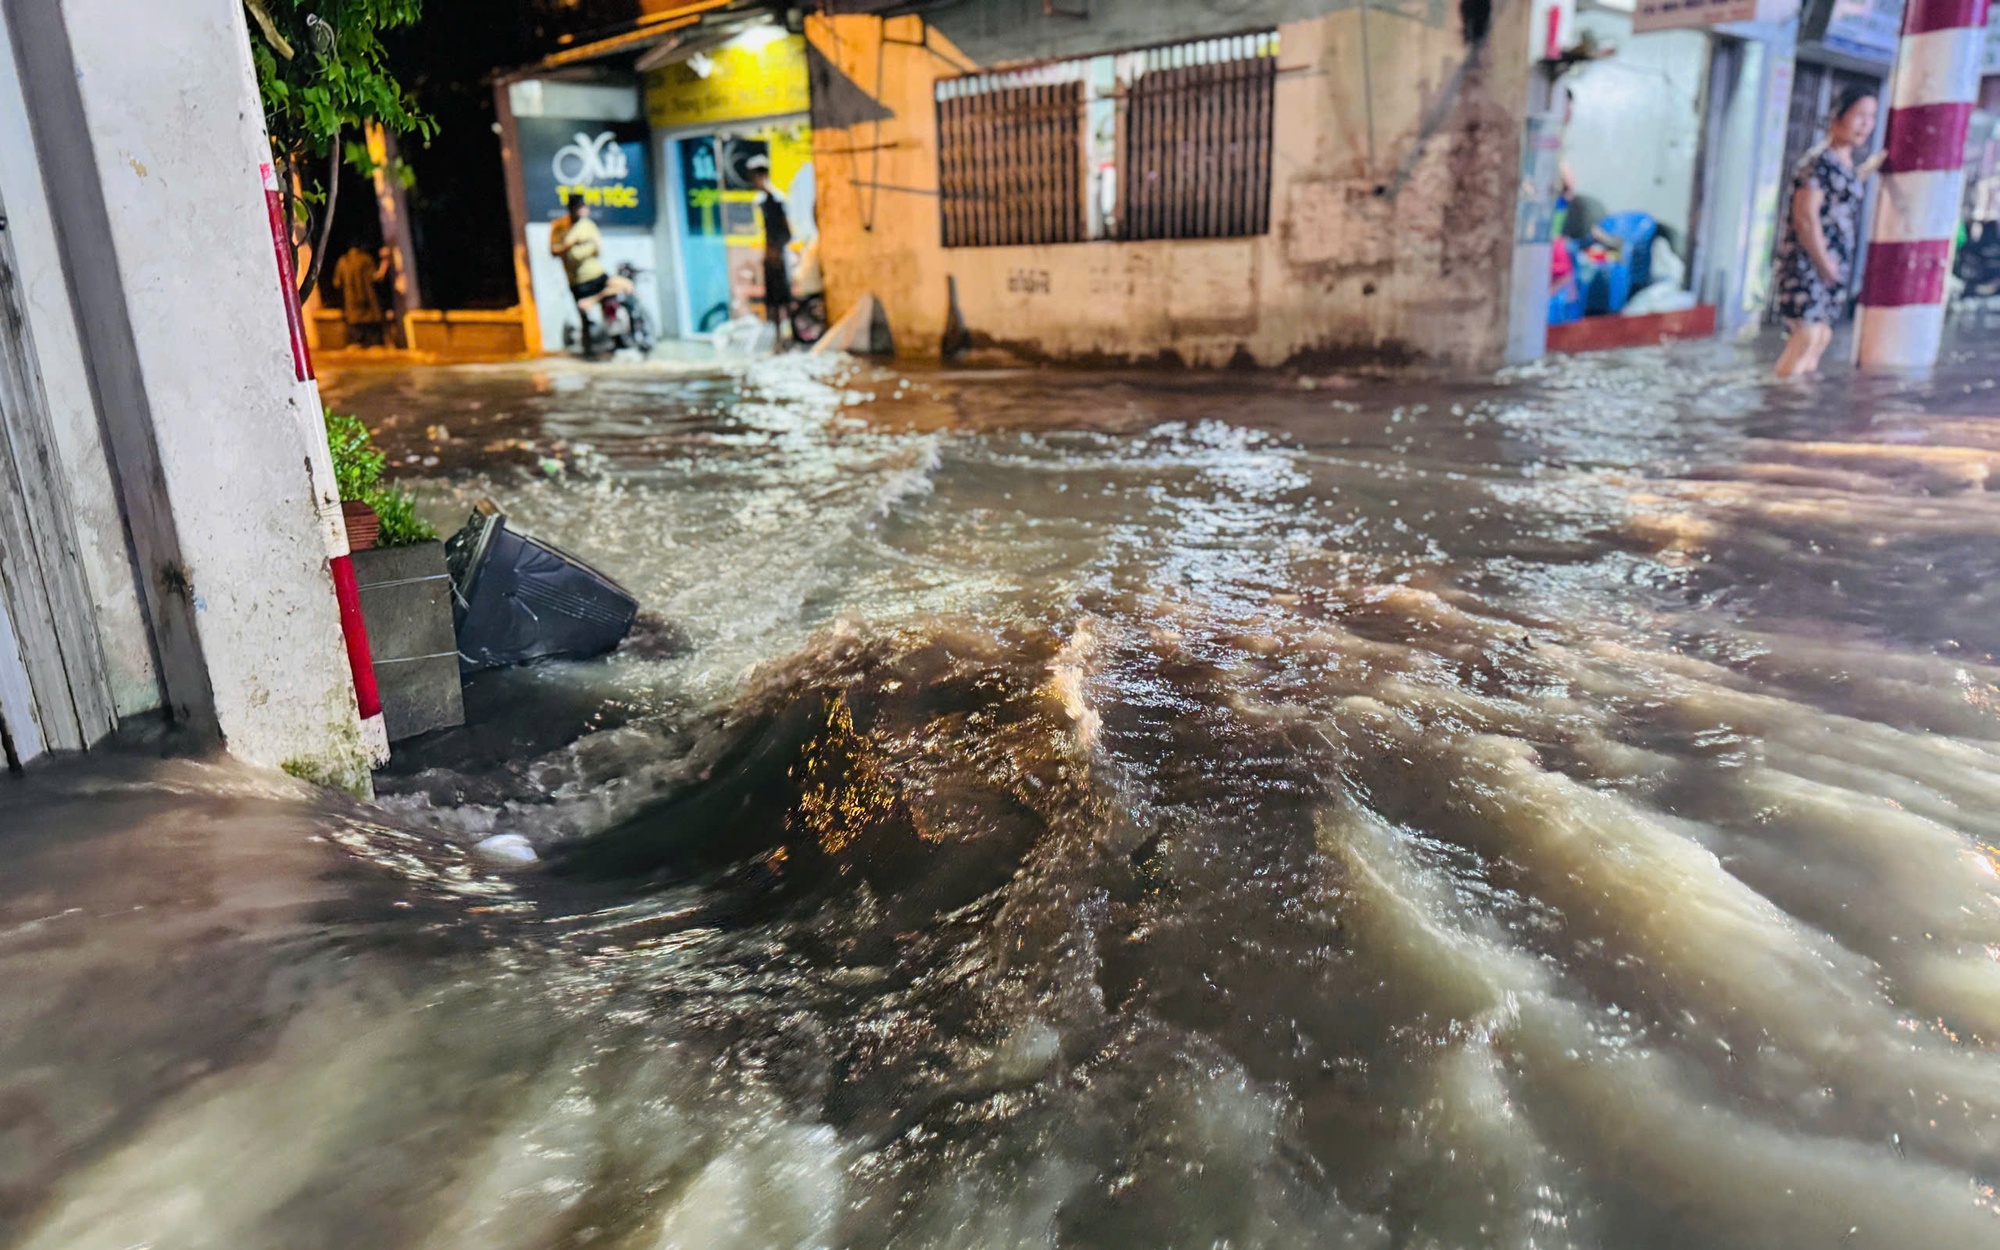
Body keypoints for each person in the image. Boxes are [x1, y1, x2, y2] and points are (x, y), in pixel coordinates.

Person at [1774, 86, 1885, 378]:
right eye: (1859, 115)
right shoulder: (1816, 163)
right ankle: (1781, 404)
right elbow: (1806, 219)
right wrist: (1825, 264)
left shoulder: (1844, 166)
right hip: (1808, 264)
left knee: (1821, 336)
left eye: (1871, 117)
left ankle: (1798, 407)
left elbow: (1843, 190)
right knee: (1806, 335)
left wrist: (1868, 169)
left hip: (1832, 265)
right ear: (1837, 118)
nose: (1866, 124)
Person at [550, 194, 631, 332]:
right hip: (577, 280)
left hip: (596, 274)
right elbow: (554, 251)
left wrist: (584, 248)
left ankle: (618, 340)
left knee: (621, 292)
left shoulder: (588, 225)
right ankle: (589, 349)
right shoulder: (560, 227)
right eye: (577, 208)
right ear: (570, 208)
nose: (581, 211)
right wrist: (569, 245)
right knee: (585, 320)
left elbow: (597, 249)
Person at [746, 155, 793, 336]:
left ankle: (789, 339)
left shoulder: (777, 200)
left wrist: (777, 251)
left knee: (783, 300)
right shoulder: (763, 201)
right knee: (772, 302)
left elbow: (786, 231)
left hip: (779, 256)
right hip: (770, 255)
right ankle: (777, 340)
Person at [331, 243, 387, 347]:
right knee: (370, 326)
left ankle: (356, 342)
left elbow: (336, 283)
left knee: (354, 325)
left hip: (351, 302)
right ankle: (372, 343)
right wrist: (385, 261)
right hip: (367, 301)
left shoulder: (342, 261)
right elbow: (377, 276)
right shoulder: (366, 259)